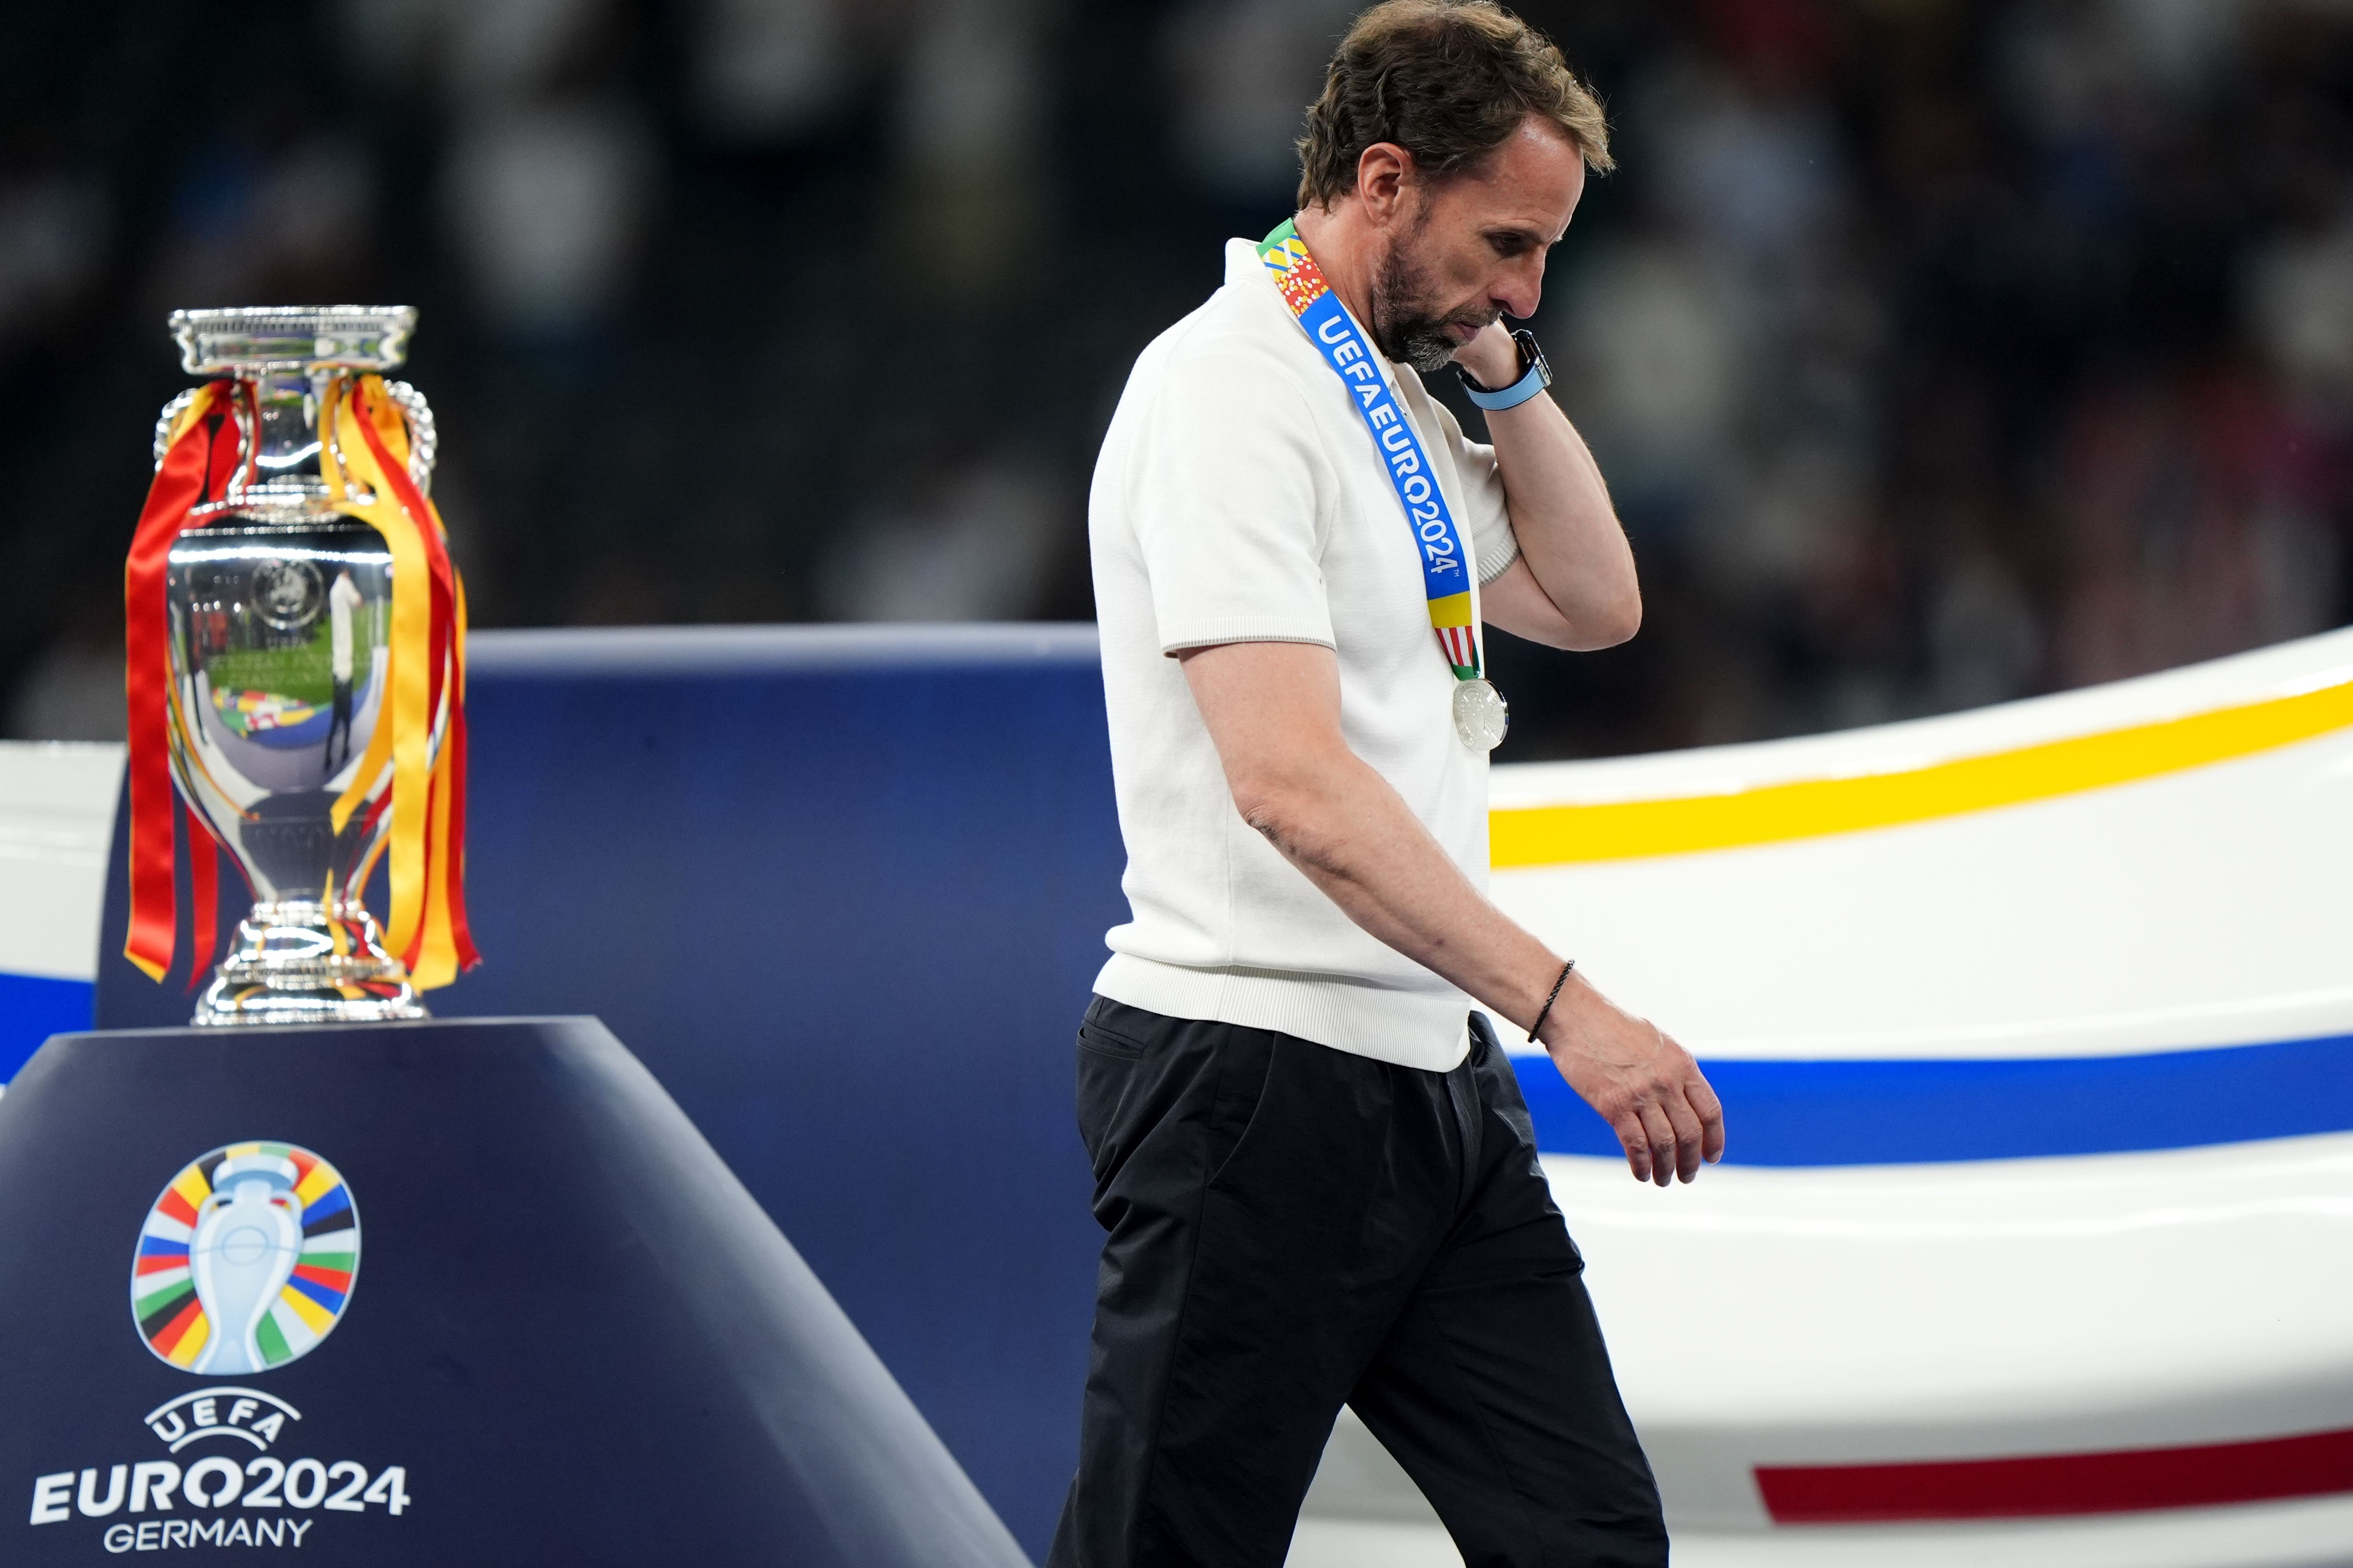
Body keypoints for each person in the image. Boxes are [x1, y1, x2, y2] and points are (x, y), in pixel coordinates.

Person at [1053, 4, 1725, 1565]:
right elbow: (1288, 782)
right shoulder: (1228, 389)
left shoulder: (1392, 390)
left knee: (1592, 1542)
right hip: (1246, 1071)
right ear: (1381, 181)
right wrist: (1574, 1012)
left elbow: (1593, 599)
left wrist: (1502, 365)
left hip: (1431, 1078)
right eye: (1505, 242)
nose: (1526, 286)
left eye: (1546, 254)